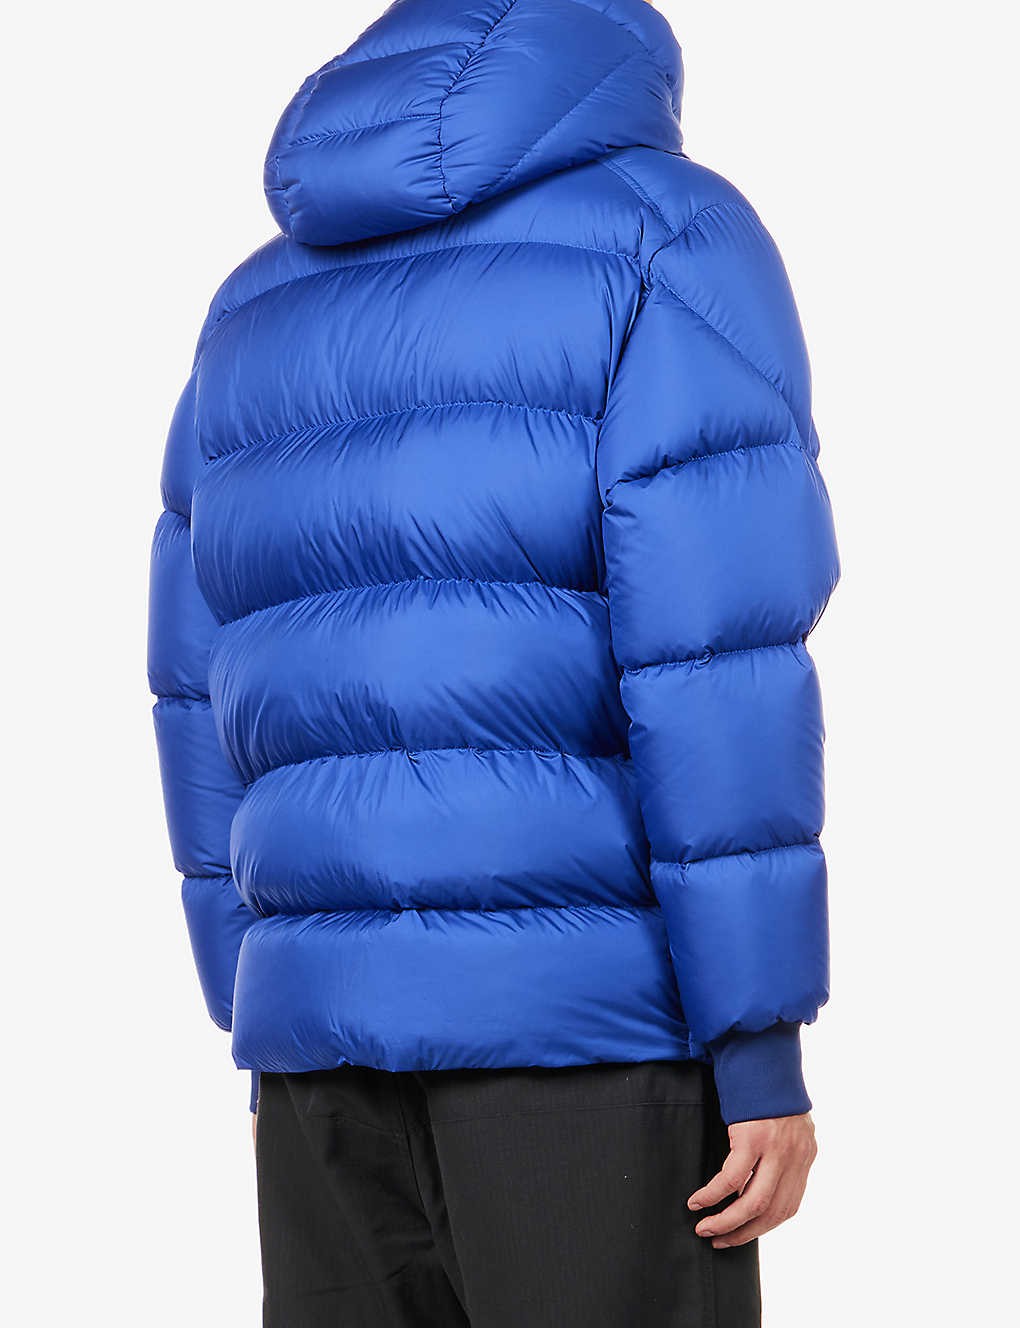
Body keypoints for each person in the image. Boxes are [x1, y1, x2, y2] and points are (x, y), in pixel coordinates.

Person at [148, 1, 838, 1323]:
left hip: (317, 1051)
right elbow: (715, 663)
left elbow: (196, 681)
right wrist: (756, 1041)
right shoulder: (666, 235)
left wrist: (258, 999)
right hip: (589, 1041)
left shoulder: (256, 301)